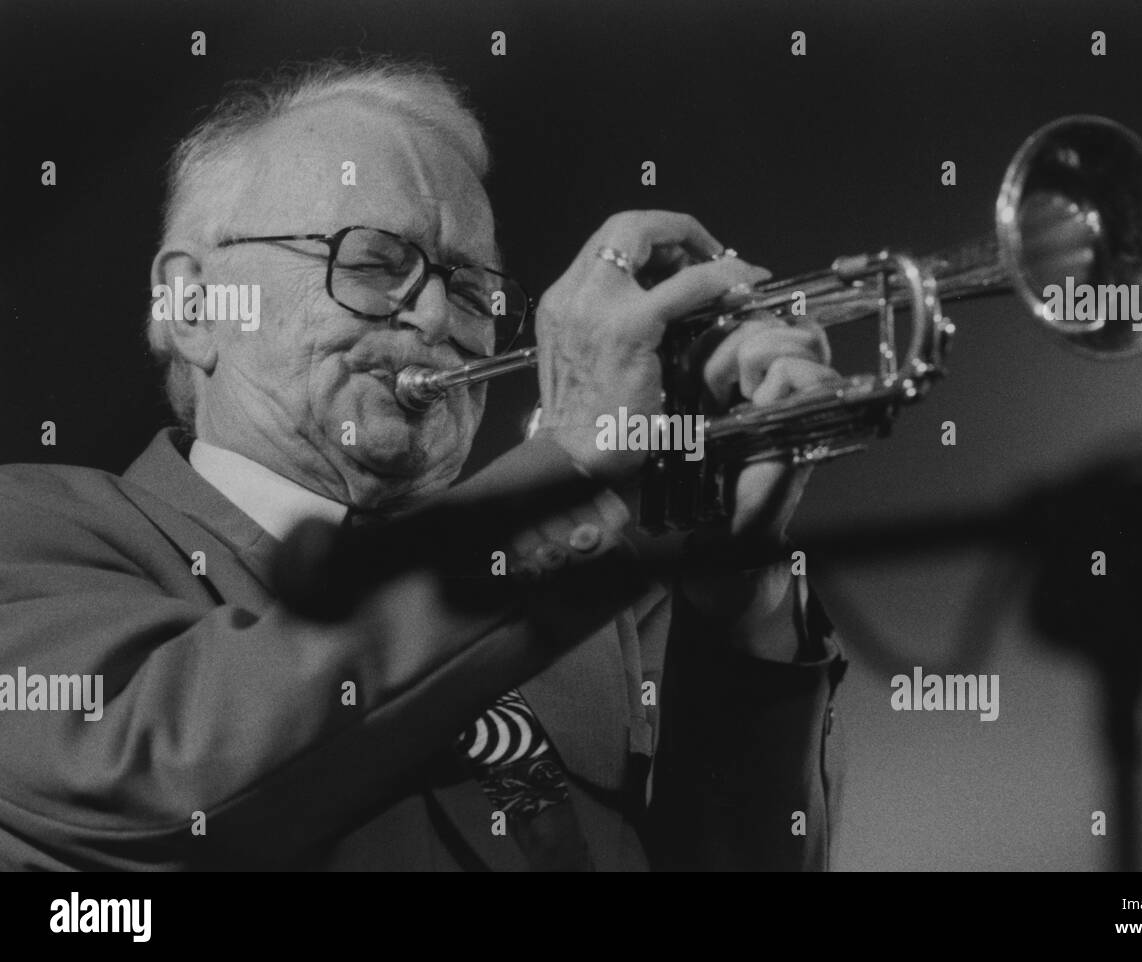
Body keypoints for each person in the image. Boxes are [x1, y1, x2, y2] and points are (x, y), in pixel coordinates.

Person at [0, 57, 846, 871]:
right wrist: (575, 462)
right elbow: (159, 772)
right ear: (192, 306)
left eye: (473, 289)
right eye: (373, 262)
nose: (439, 315)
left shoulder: (598, 603)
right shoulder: (39, 529)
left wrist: (741, 601)